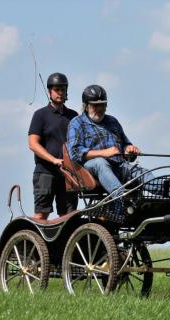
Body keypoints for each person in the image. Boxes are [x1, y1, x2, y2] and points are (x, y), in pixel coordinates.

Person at [67, 84, 153, 200]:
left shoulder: (112, 121)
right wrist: (104, 153)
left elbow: (125, 146)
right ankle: (122, 197)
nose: (99, 109)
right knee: (100, 162)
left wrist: (129, 150)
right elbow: (75, 153)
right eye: (95, 105)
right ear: (86, 106)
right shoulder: (77, 123)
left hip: (118, 166)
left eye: (102, 105)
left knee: (139, 171)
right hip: (91, 168)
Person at [28, 72, 78, 219]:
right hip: (45, 172)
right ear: (50, 91)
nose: (60, 93)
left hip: (68, 173)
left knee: (68, 216)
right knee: (41, 214)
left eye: (63, 89)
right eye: (57, 89)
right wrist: (53, 159)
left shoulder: (73, 116)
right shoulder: (40, 115)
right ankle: (35, 241)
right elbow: (33, 144)